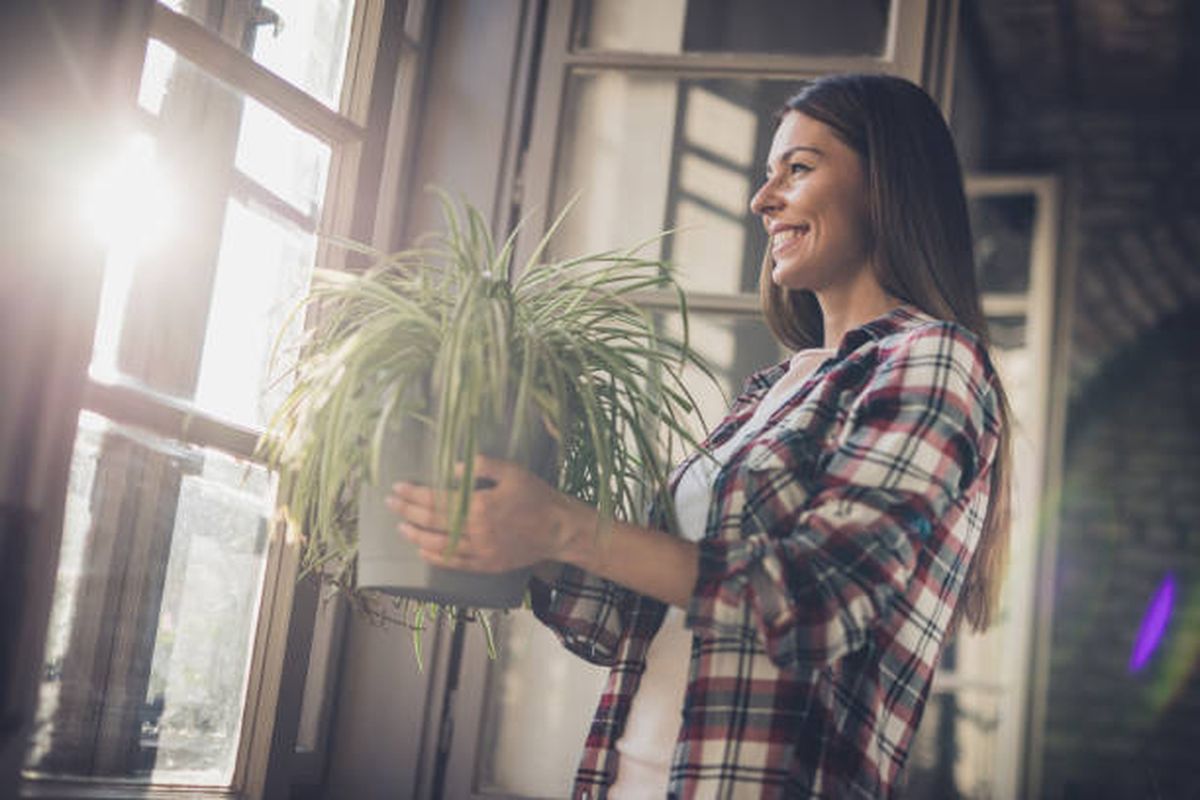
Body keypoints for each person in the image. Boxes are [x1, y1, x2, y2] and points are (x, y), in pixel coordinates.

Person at [388, 73, 1012, 798]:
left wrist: (561, 525)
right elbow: (635, 618)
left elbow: (814, 603)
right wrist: (513, 529)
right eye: (767, 172)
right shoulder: (773, 390)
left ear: (885, 184)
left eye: (798, 168)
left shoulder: (934, 361)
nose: (761, 199)